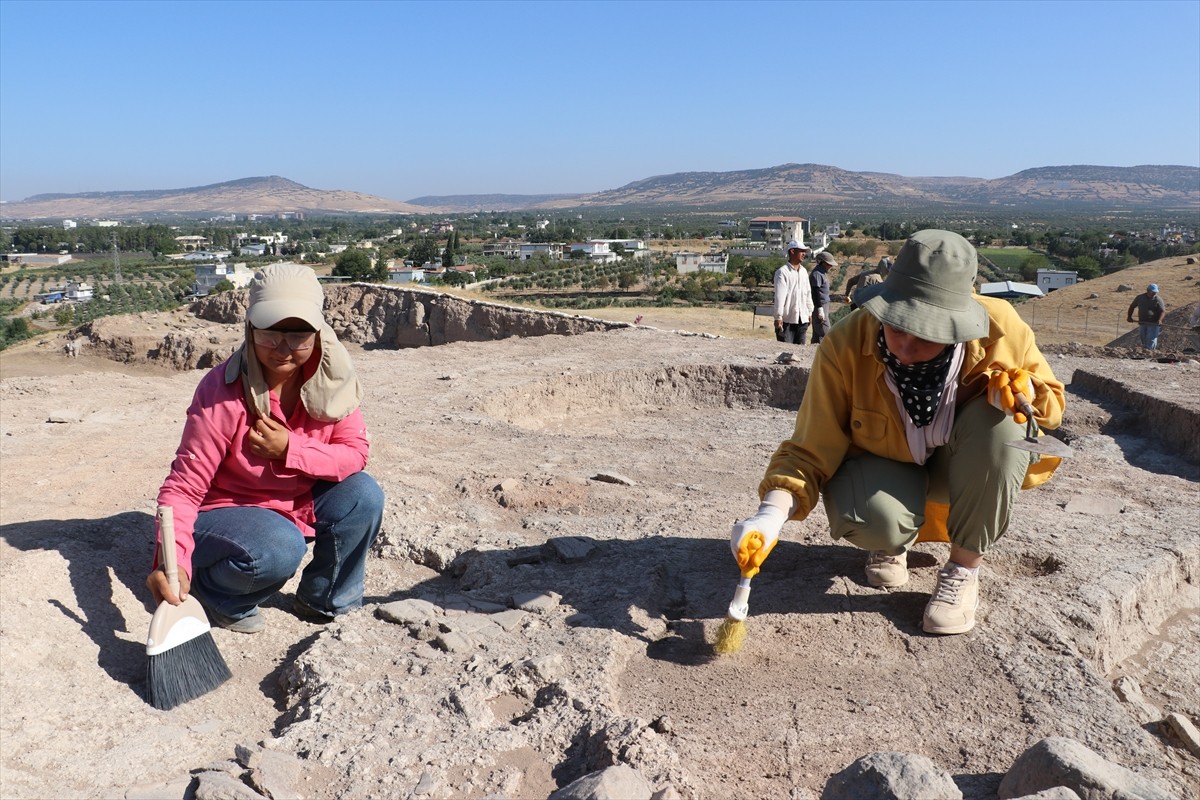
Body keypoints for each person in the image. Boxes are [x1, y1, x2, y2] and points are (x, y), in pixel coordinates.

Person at [731, 230, 1065, 635]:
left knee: (1003, 425)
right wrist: (771, 514)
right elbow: (810, 444)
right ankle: (889, 544)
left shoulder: (1002, 331)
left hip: (962, 467)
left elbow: (1049, 412)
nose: (906, 346)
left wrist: (1025, 393)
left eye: (926, 332)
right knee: (875, 520)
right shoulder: (845, 344)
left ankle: (963, 568)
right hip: (886, 465)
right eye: (897, 324)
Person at [147, 263, 385, 633]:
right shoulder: (220, 392)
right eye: (270, 334)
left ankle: (324, 600)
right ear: (250, 328)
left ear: (318, 333)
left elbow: (354, 453)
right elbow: (184, 488)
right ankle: (220, 598)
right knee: (279, 544)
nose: (283, 349)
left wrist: (291, 448)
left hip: (294, 498)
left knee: (363, 495)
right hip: (227, 514)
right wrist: (171, 561)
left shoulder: (331, 382)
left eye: (298, 335)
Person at [773, 240, 815, 344]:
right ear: (792, 251)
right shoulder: (782, 272)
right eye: (801, 251)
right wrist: (778, 317)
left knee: (800, 352)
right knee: (786, 351)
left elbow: (808, 293)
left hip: (803, 319)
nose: (804, 254)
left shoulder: (804, 271)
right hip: (788, 320)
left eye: (804, 251)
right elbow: (780, 297)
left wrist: (809, 312)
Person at [809, 251, 837, 344]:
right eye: (829, 264)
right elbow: (815, 291)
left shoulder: (822, 273)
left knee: (817, 334)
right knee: (826, 332)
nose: (831, 266)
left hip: (824, 304)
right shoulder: (817, 274)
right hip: (820, 305)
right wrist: (820, 308)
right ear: (824, 263)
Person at [1127, 283, 1165, 350]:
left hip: (1153, 324)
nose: (1154, 294)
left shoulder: (1158, 299)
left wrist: (1160, 320)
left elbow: (1162, 311)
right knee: (1144, 340)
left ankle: (1150, 353)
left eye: (1155, 292)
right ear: (1148, 290)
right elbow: (1132, 306)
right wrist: (1129, 317)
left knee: (1151, 340)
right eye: (1152, 292)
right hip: (1143, 322)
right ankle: (1146, 353)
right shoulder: (1140, 298)